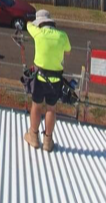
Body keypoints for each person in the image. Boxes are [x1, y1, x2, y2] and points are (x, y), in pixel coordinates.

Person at [23, 10, 71, 152]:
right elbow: (68, 52)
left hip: (39, 78)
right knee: (51, 109)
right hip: (55, 80)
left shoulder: (38, 33)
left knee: (36, 106)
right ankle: (47, 142)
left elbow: (28, 25)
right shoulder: (62, 35)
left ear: (40, 23)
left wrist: (31, 20)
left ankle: (33, 136)